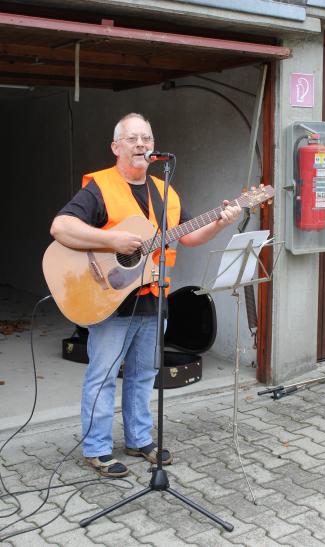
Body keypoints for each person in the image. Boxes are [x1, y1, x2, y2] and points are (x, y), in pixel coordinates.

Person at [50, 113, 241, 478]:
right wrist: (112, 240)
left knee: (143, 374)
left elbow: (188, 236)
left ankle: (138, 439)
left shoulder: (164, 190)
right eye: (133, 138)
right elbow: (61, 226)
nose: (142, 145)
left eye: (147, 139)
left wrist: (219, 221)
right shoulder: (100, 187)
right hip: (108, 298)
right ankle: (97, 449)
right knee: (103, 375)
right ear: (116, 147)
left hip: (154, 297)